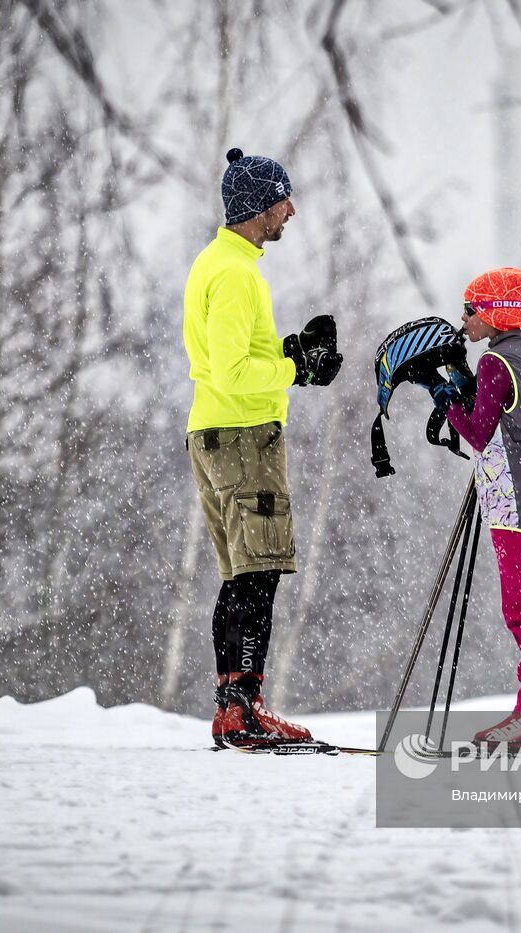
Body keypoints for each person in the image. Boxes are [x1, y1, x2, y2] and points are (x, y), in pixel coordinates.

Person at [183, 148, 342, 747]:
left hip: (218, 433)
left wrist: (289, 350)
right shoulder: (234, 274)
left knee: (241, 575)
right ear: (257, 206)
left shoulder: (220, 263)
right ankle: (245, 708)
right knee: (260, 572)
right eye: (283, 200)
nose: (291, 211)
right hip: (242, 436)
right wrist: (294, 368)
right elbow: (231, 372)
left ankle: (233, 706)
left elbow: (236, 357)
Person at [438, 264, 521, 751]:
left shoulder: (497, 363)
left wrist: (445, 396)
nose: (466, 320)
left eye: (471, 310)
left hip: (510, 496)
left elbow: (477, 432)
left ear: (495, 314)